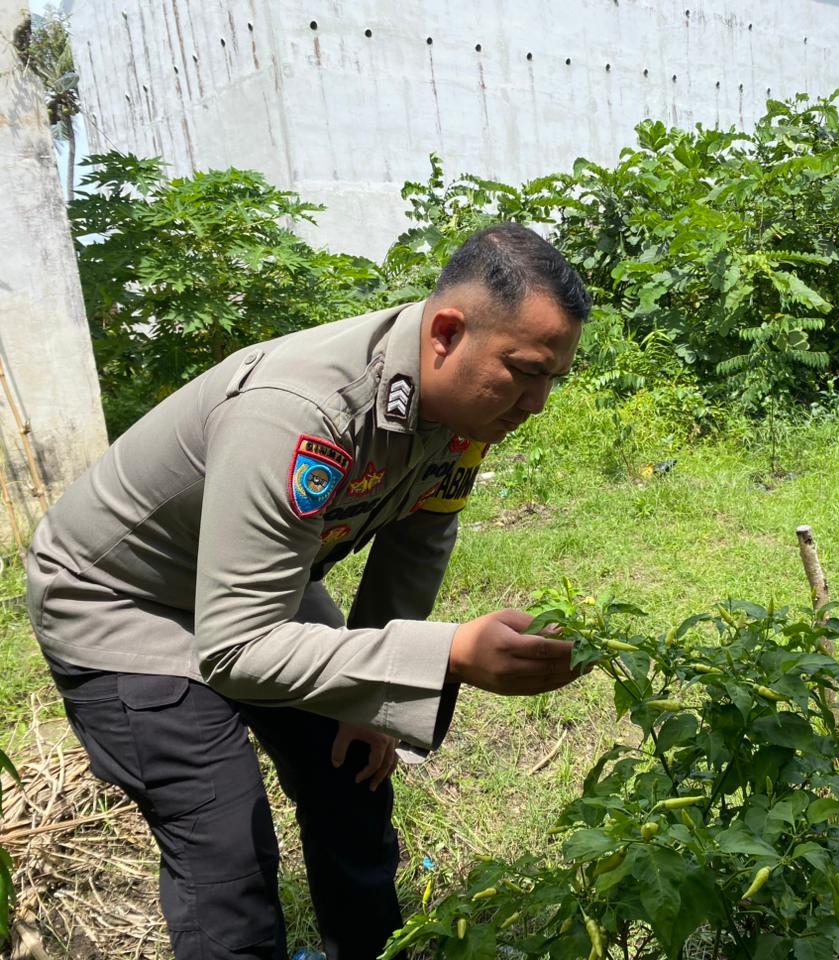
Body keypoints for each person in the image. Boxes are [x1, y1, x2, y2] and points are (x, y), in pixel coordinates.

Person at [24, 223, 591, 959]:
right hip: (119, 600)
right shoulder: (301, 410)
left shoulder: (466, 409)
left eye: (555, 377)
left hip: (255, 586)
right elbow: (235, 648)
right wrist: (446, 653)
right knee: (223, 840)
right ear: (447, 331)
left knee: (351, 777)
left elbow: (418, 541)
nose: (538, 402)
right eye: (526, 370)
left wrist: (378, 701)